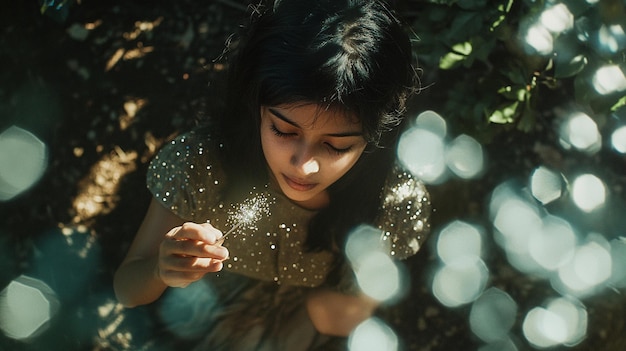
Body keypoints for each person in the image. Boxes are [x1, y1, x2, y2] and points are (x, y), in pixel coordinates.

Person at [113, 0, 431, 349]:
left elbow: (349, 313)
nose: (303, 165)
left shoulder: (392, 203)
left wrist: (318, 312)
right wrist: (161, 270)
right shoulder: (202, 166)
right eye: (283, 130)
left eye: (336, 147)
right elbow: (128, 290)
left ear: (374, 139)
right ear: (256, 107)